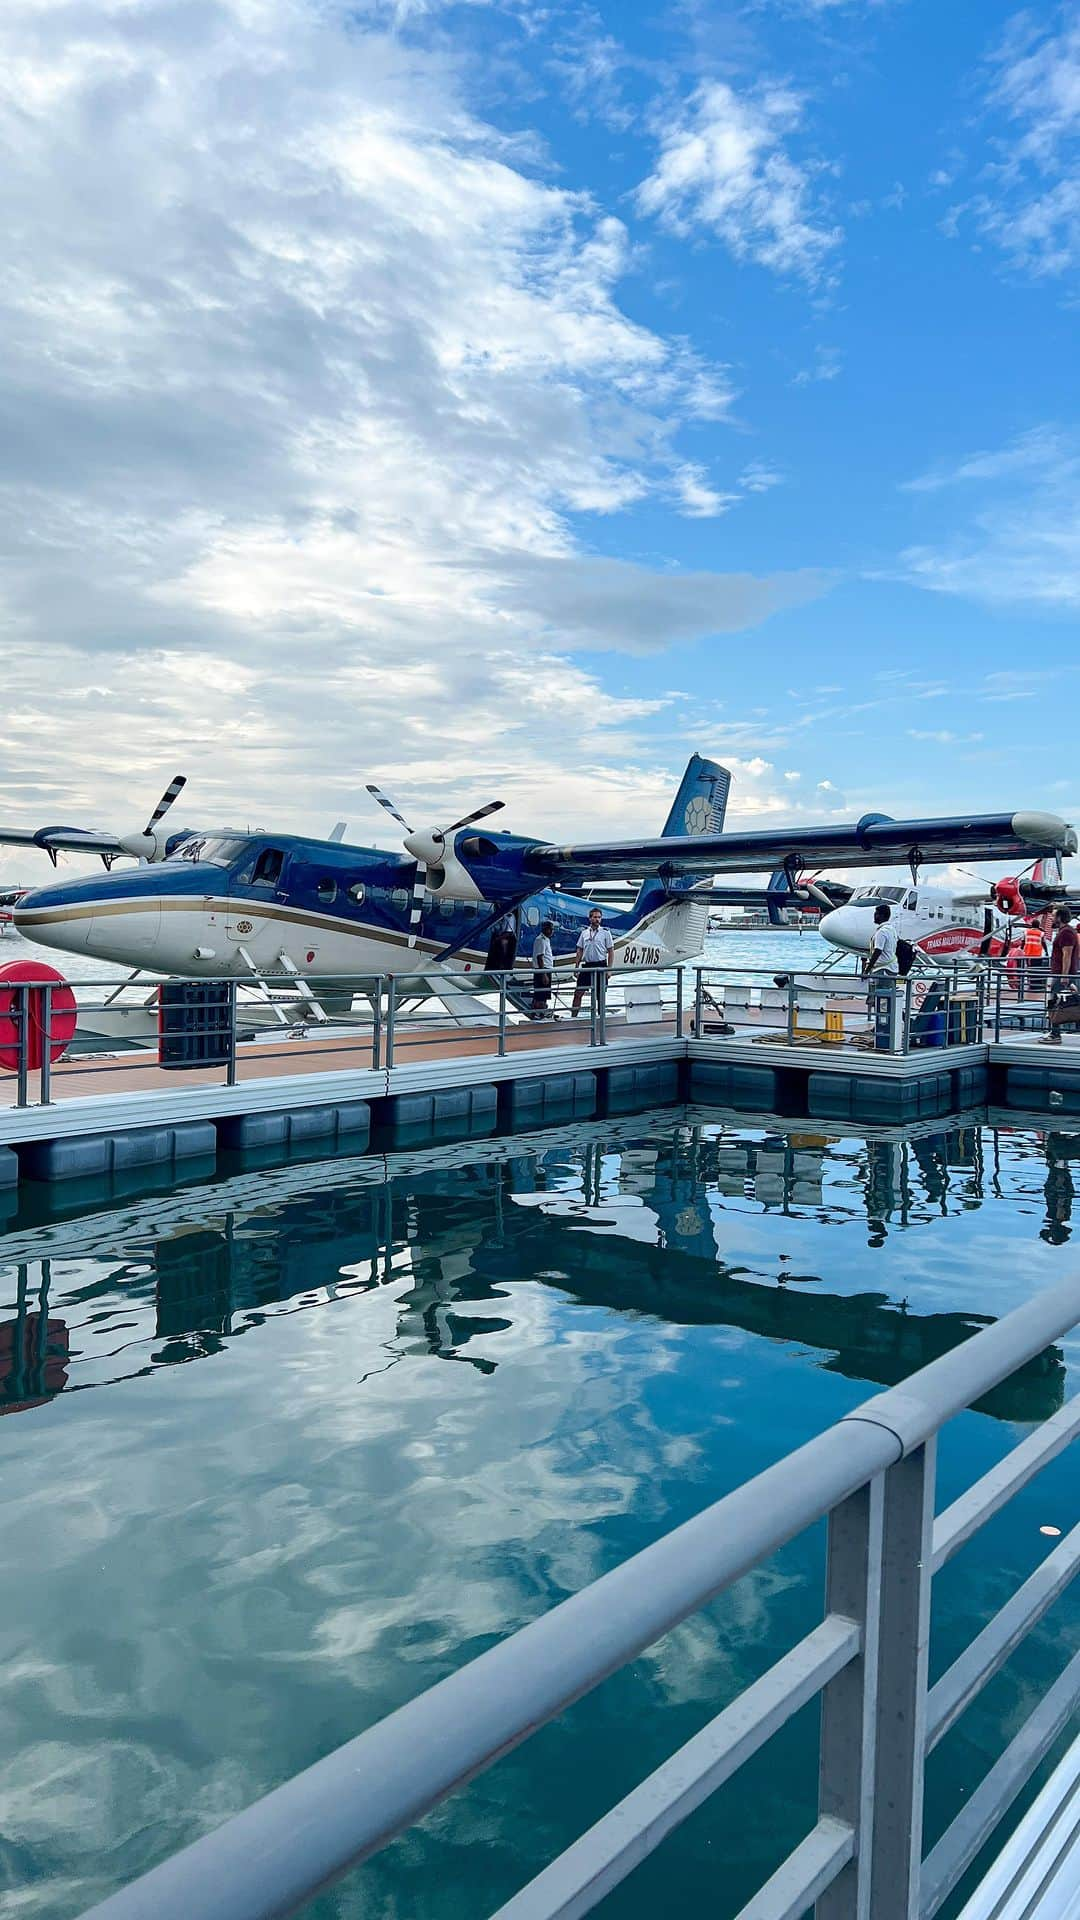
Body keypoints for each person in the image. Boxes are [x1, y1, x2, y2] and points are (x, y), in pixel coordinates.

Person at [1040, 908, 1080, 1044]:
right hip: (1062, 973)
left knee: (1054, 1003)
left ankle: (1055, 1033)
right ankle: (1054, 1032)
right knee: (1069, 1002)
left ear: (1060, 918)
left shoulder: (1066, 933)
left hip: (1061, 974)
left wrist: (1064, 976)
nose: (1052, 918)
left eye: (1054, 916)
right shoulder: (1067, 931)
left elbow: (1066, 955)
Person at [571, 906, 615, 1017]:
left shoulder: (605, 933)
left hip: (600, 965)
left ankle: (601, 1017)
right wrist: (576, 966)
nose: (597, 920)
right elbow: (579, 950)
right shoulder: (584, 933)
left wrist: (609, 969)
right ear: (590, 918)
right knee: (578, 992)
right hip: (587, 965)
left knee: (600, 995)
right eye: (595, 917)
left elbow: (611, 951)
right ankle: (573, 1017)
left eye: (599, 917)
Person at [531, 918, 555, 1019]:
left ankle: (541, 1012)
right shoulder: (540, 940)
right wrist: (543, 973)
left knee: (544, 994)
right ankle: (538, 1013)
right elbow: (540, 957)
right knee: (541, 994)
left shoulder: (546, 939)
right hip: (543, 970)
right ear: (545, 929)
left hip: (547, 969)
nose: (552, 931)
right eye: (550, 929)